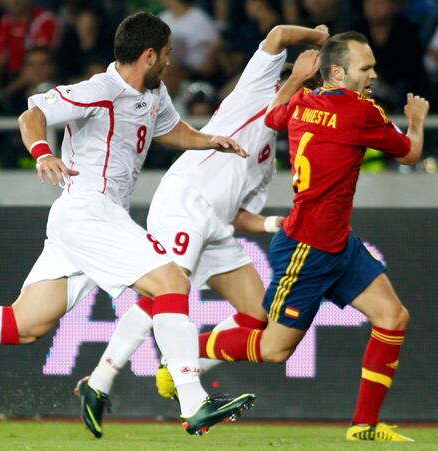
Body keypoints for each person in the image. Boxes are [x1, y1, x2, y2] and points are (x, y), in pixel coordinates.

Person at [0, 12, 254, 436]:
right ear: (149, 55)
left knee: (24, 324)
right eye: (168, 55)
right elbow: (32, 114)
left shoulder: (153, 93)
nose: (171, 62)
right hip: (88, 210)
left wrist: (207, 140)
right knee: (173, 282)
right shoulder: (99, 89)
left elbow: (169, 129)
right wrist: (44, 153)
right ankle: (193, 400)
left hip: (95, 219)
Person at [172, 31, 429, 442]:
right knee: (274, 349)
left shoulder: (301, 103)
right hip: (307, 247)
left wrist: (294, 80)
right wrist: (416, 120)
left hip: (337, 241)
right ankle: (184, 353)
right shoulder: (362, 112)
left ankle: (364, 425)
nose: (373, 74)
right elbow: (411, 153)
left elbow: (272, 117)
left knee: (393, 317)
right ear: (339, 72)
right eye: (366, 68)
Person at [75, 24, 329, 439]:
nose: (308, 97)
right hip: (184, 202)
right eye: (306, 87)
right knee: (167, 292)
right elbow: (280, 33)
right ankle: (102, 382)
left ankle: (180, 364)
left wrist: (271, 224)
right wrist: (318, 40)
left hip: (214, 227)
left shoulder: (268, 160)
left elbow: (239, 216)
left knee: (259, 316)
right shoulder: (258, 87)